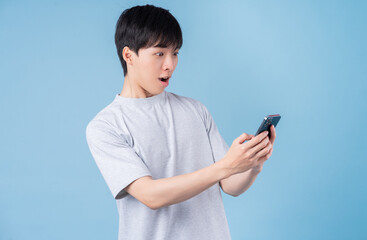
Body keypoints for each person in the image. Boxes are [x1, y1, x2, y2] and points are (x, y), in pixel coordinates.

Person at [85, 4, 276, 240]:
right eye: (159, 53)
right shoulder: (106, 126)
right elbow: (150, 195)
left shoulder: (195, 110)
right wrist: (227, 165)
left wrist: (253, 165)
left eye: (175, 53)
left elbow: (230, 185)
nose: (170, 64)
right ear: (128, 55)